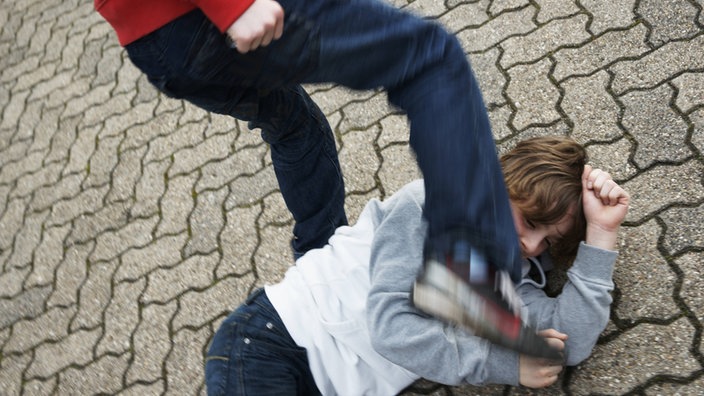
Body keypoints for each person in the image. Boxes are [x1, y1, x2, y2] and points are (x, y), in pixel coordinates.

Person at [204, 136, 631, 395]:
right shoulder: (430, 205)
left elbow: (569, 347)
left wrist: (601, 233)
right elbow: (389, 327)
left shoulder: (511, 281)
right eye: (531, 222)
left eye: (549, 242)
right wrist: (504, 363)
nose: (532, 244)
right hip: (271, 341)